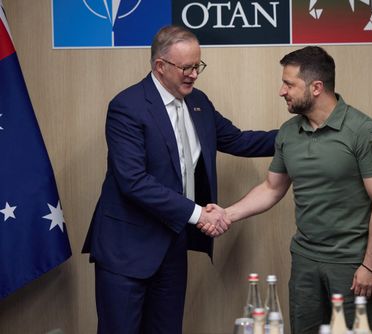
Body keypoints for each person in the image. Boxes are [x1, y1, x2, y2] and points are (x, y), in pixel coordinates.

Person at [81, 25, 277, 334]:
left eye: (197, 66)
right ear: (160, 66)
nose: (194, 74)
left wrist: (297, 135)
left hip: (172, 246)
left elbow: (238, 141)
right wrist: (199, 215)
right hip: (126, 251)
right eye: (186, 67)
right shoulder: (127, 107)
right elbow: (133, 180)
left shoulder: (198, 103)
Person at [215, 46, 372, 334]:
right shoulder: (288, 133)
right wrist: (226, 214)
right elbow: (272, 188)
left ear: (316, 87)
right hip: (305, 261)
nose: (281, 91)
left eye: (289, 84)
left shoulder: (364, 131)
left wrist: (371, 266)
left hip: (350, 264)